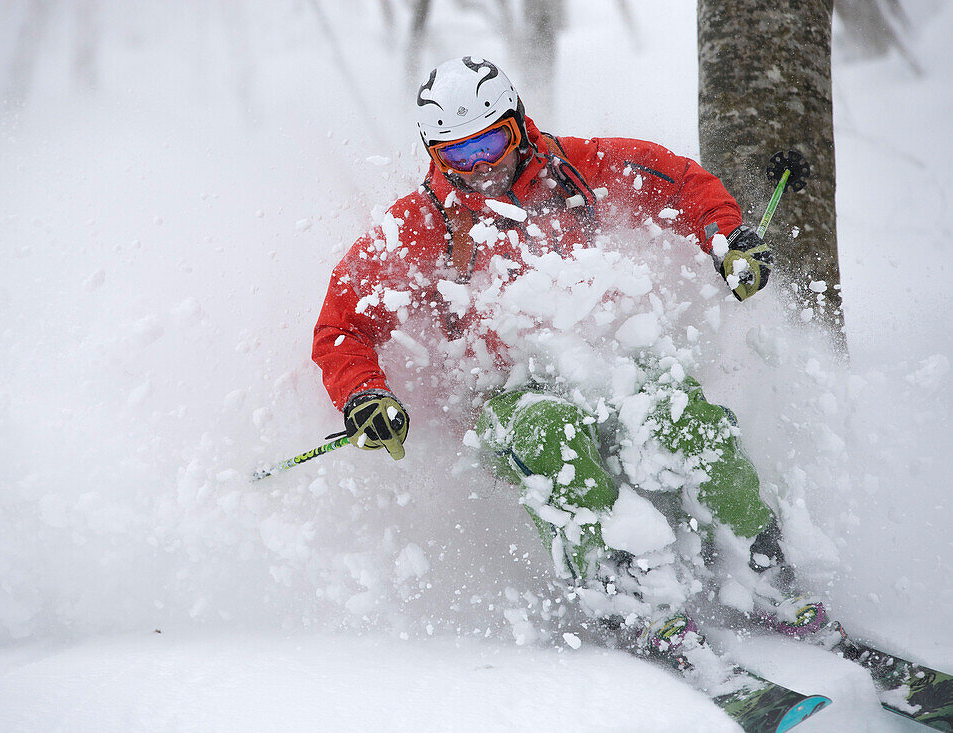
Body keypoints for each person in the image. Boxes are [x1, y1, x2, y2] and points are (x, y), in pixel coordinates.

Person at [311, 57, 825, 655]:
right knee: (550, 433)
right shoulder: (421, 222)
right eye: (459, 155)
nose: (481, 168)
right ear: (435, 152)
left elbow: (680, 180)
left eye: (491, 144)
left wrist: (727, 237)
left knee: (685, 417)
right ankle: (623, 594)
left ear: (520, 124)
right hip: (502, 391)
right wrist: (365, 395)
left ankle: (760, 565)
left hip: (606, 358)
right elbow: (341, 325)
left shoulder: (577, 167)